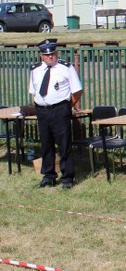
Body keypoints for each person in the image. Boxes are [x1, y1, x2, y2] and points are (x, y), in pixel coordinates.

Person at [29, 39, 83, 189]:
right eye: (47, 55)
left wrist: (66, 106)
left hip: (60, 109)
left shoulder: (65, 68)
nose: (51, 56)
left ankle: (67, 177)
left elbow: (77, 91)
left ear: (57, 53)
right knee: (46, 144)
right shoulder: (35, 70)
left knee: (64, 144)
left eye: (53, 53)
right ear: (41, 55)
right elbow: (34, 91)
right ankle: (49, 176)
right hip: (42, 110)